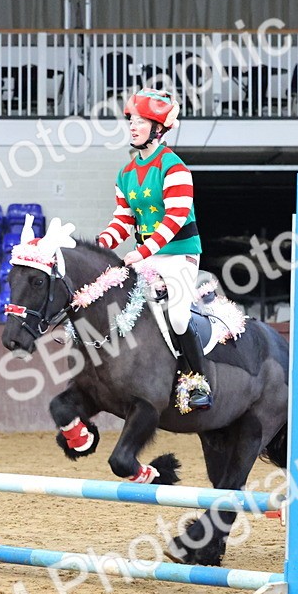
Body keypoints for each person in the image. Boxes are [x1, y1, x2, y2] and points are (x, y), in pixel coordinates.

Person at [97, 88, 211, 412]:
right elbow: (121, 221)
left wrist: (144, 251)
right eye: (131, 120)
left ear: (158, 128)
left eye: (140, 121)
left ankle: (198, 382)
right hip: (146, 257)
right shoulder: (125, 174)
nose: (132, 126)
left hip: (179, 255)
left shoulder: (174, 168)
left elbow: (175, 219)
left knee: (176, 317)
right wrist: (99, 245)